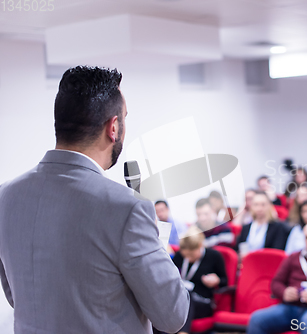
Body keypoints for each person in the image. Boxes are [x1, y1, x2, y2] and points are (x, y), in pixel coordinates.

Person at [0, 66, 189, 333]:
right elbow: (172, 315)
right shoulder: (127, 207)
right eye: (125, 118)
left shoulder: (5, 196)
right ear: (113, 127)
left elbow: (17, 297)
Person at [168, 227, 227, 334]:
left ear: (200, 246)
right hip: (180, 298)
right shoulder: (180, 256)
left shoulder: (214, 256)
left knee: (187, 295)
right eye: (186, 255)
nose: (188, 259)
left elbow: (224, 282)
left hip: (203, 301)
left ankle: (183, 332)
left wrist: (216, 280)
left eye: (191, 255)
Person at [236, 191, 290, 256]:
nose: (259, 208)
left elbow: (277, 252)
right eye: (256, 204)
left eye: (263, 204)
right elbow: (238, 248)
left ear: (269, 206)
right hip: (247, 263)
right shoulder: (246, 228)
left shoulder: (278, 227)